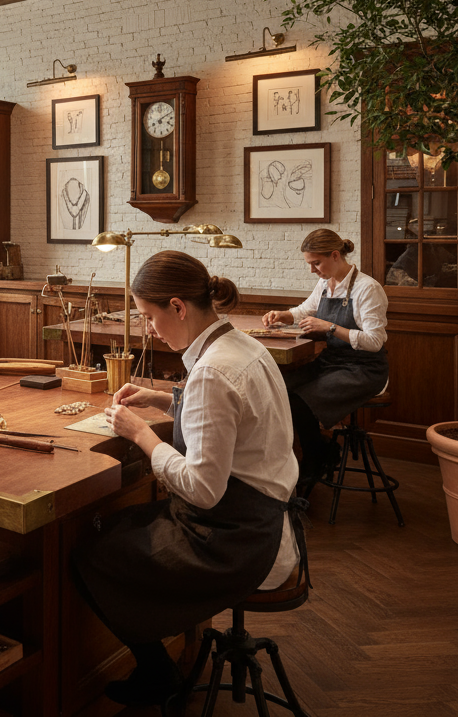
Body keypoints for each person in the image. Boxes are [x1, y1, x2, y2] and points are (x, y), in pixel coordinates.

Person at [72, 251, 304, 709]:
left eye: (149, 317)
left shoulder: (213, 372)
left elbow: (202, 488)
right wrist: (163, 399)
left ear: (178, 307)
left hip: (235, 541)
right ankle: (163, 658)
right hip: (261, 519)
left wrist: (139, 433)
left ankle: (157, 672)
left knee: (90, 556)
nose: (150, 330)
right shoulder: (241, 346)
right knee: (120, 529)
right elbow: (234, 421)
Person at [262, 229, 388, 490]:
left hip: (364, 368)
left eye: (316, 263)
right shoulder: (325, 283)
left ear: (334, 255)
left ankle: (315, 459)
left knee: (299, 402)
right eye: (310, 264)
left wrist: (330, 327)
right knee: (278, 388)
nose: (313, 271)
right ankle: (321, 450)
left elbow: (375, 342)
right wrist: (282, 315)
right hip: (332, 361)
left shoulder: (367, 288)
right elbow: (304, 310)